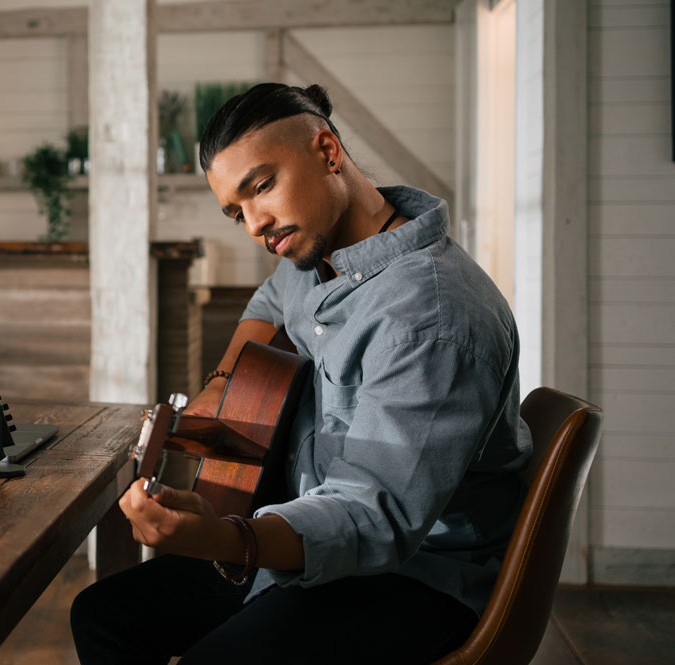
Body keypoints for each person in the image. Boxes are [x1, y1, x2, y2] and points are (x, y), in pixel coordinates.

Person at [70, 83, 533, 664]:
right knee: (102, 617)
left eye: (262, 186)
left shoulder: (431, 319)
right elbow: (270, 302)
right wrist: (222, 384)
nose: (255, 225)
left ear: (328, 152)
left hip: (414, 576)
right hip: (305, 525)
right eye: (236, 212)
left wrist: (225, 539)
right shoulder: (316, 253)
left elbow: (374, 519)